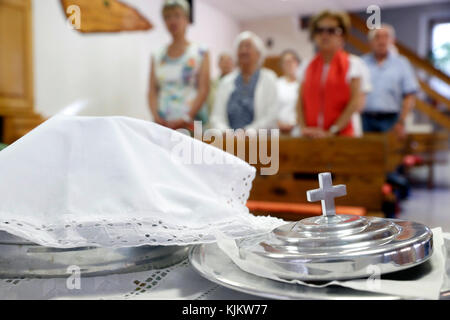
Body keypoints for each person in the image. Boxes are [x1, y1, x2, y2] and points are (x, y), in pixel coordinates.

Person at [296, 10, 363, 138]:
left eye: (331, 30)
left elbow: (354, 102)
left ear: (342, 35)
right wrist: (303, 129)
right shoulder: (306, 65)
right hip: (310, 137)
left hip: (341, 136)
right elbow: (300, 102)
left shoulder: (353, 64)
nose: (325, 35)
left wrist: (332, 131)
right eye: (320, 30)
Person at [148, 0, 210, 130]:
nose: (172, 21)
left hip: (191, 123)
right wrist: (156, 116)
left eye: (177, 15)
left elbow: (204, 89)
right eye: (167, 17)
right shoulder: (157, 55)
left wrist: (186, 118)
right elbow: (152, 90)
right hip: (162, 124)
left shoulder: (201, 52)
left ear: (187, 19)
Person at [210, 31, 278, 131]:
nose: (243, 51)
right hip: (229, 140)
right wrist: (226, 132)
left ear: (259, 53)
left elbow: (272, 116)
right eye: (240, 47)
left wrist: (248, 131)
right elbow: (216, 117)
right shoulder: (226, 81)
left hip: (260, 140)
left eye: (248, 46)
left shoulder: (269, 78)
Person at [361, 24, 418, 138]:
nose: (381, 41)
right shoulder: (362, 63)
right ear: (370, 42)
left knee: (390, 154)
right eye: (377, 37)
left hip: (391, 120)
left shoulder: (402, 63)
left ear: (393, 40)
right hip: (364, 119)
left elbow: (409, 95)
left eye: (386, 36)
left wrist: (401, 121)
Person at [277, 50, 301, 135]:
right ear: (281, 65)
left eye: (292, 61)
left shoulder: (302, 84)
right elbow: (270, 108)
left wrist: (294, 124)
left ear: (297, 63)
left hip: (297, 130)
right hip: (278, 130)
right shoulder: (276, 84)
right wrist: (279, 123)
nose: (290, 64)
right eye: (286, 62)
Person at [207, 53, 235, 120]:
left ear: (233, 64)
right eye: (224, 62)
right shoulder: (212, 84)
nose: (226, 64)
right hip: (214, 121)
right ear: (218, 64)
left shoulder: (239, 83)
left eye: (229, 61)